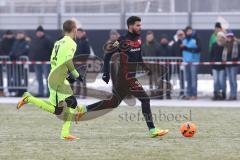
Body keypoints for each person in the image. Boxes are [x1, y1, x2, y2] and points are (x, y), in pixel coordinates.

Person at [77, 16, 169, 138]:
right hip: (125, 77)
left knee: (112, 103)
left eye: (140, 25)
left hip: (129, 77)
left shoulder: (138, 40)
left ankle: (83, 109)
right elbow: (108, 54)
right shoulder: (121, 40)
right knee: (145, 99)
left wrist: (147, 70)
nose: (140, 27)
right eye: (137, 25)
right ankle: (152, 129)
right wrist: (106, 73)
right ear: (130, 26)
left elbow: (139, 58)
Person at [17, 19, 85, 140]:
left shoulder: (58, 42)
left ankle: (29, 98)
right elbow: (68, 61)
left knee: (57, 109)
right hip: (58, 78)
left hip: (53, 75)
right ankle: (65, 132)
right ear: (74, 30)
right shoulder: (72, 43)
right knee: (72, 102)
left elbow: (55, 60)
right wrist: (76, 74)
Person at [30, 26, 53, 97]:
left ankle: (49, 93)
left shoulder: (48, 40)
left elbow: (52, 50)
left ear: (43, 32)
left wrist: (49, 59)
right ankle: (41, 93)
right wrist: (32, 58)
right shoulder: (34, 40)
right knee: (39, 78)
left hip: (46, 62)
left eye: (40, 32)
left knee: (48, 79)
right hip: (36, 62)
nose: (39, 33)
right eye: (38, 32)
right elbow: (32, 50)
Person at [182, 26, 201, 100]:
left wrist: (187, 48)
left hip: (194, 61)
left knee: (193, 79)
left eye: (190, 30)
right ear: (186, 32)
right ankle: (188, 94)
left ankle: (194, 94)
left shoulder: (196, 39)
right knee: (188, 79)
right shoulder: (184, 39)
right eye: (188, 31)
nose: (189, 32)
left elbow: (199, 49)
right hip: (186, 62)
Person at [9, 31, 30, 96]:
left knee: (24, 77)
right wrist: (12, 56)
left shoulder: (26, 42)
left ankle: (24, 91)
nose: (19, 36)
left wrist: (18, 55)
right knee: (16, 77)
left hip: (23, 63)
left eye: (21, 34)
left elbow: (25, 50)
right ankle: (17, 91)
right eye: (18, 34)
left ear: (24, 35)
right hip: (16, 63)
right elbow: (13, 50)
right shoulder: (15, 42)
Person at [222, 31, 240, 100]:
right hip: (227, 65)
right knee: (229, 80)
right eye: (228, 36)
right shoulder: (225, 44)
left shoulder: (236, 43)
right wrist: (225, 39)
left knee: (233, 80)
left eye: (230, 36)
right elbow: (221, 43)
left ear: (232, 37)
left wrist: (236, 39)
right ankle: (231, 95)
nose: (229, 38)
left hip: (234, 65)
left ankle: (234, 95)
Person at [74, 28, 91, 98]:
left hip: (83, 63)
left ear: (83, 33)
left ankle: (84, 94)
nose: (78, 34)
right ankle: (77, 93)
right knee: (77, 79)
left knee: (83, 79)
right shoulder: (76, 41)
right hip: (76, 63)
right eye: (77, 33)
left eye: (79, 33)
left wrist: (82, 60)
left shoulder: (85, 41)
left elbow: (88, 53)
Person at [210, 32, 226, 100]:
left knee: (221, 80)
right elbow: (211, 55)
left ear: (223, 38)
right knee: (215, 80)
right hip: (214, 66)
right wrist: (211, 64)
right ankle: (216, 93)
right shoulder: (213, 44)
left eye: (221, 37)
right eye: (218, 36)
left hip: (222, 66)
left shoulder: (225, 45)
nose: (219, 38)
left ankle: (223, 93)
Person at [157, 34, 173, 99]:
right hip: (160, 68)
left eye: (165, 39)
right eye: (163, 39)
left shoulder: (170, 48)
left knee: (168, 81)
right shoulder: (158, 48)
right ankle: (160, 95)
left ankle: (168, 94)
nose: (164, 40)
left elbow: (172, 56)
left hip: (168, 67)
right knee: (160, 81)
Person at [0, 30, 15, 96]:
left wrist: (10, 55)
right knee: (5, 76)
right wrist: (4, 56)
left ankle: (12, 90)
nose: (9, 36)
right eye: (8, 34)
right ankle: (3, 90)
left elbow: (14, 49)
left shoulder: (15, 41)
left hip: (13, 60)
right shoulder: (3, 41)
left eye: (10, 34)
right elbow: (1, 49)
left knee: (12, 75)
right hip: (3, 59)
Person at [170, 30, 185, 97]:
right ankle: (182, 91)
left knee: (185, 78)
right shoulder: (174, 44)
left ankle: (184, 92)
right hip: (178, 64)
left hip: (186, 63)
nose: (180, 36)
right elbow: (172, 53)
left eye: (181, 35)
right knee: (180, 78)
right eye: (179, 35)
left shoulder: (185, 43)